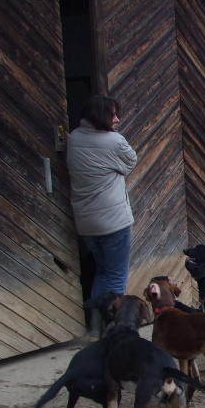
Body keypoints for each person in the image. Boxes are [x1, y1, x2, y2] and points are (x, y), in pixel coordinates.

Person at [66, 95, 138, 310]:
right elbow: (131, 162)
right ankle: (113, 324)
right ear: (99, 116)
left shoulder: (74, 138)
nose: (117, 119)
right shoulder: (114, 141)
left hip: (87, 224)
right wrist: (115, 169)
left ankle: (96, 322)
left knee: (102, 272)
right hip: (113, 222)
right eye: (112, 115)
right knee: (116, 277)